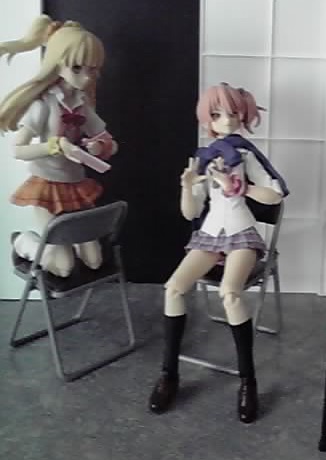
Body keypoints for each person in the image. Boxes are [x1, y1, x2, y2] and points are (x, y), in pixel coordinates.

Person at [149, 83, 289, 423]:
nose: (226, 120)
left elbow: (276, 193)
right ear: (207, 118)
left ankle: (248, 380)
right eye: (216, 114)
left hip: (241, 232)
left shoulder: (246, 154)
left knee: (230, 293)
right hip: (210, 234)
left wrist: (239, 186)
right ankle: (169, 373)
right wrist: (187, 187)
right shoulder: (204, 157)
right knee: (173, 288)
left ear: (243, 115)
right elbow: (190, 212)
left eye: (232, 113)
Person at [0, 14, 117, 277]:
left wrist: (100, 147)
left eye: (92, 70)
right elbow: (18, 149)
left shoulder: (82, 104)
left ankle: (61, 248)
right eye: (77, 68)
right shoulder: (43, 104)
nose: (86, 77)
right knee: (64, 268)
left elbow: (108, 139)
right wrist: (53, 146)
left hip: (76, 185)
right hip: (47, 186)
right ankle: (24, 242)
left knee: (94, 261)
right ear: (57, 64)